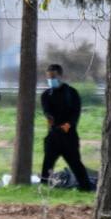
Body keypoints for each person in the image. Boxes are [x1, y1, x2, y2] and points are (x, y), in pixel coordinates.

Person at [40, 63, 93, 192]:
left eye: (54, 77)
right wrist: (51, 122)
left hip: (69, 136)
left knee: (75, 163)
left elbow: (75, 114)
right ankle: (43, 189)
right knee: (47, 164)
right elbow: (47, 112)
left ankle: (85, 188)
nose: (51, 80)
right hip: (53, 136)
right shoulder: (46, 95)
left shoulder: (71, 93)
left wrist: (66, 126)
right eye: (49, 77)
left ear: (60, 76)